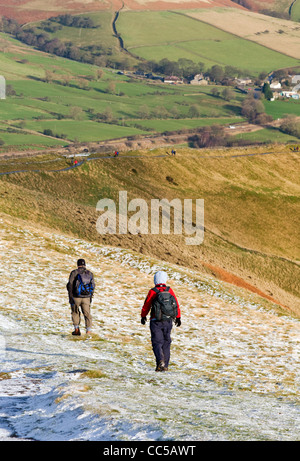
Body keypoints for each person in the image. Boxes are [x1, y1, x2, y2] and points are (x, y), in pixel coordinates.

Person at [141, 271, 181, 371]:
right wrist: (178, 317)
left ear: (155, 280)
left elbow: (147, 305)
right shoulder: (169, 290)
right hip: (168, 321)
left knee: (157, 342)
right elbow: (175, 304)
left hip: (156, 321)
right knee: (166, 343)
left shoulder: (153, 291)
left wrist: (143, 316)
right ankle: (165, 366)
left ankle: (160, 362)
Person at [67, 259, 95, 336]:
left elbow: (70, 284)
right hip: (86, 298)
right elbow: (93, 286)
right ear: (85, 265)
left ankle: (76, 329)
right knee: (87, 314)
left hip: (76, 297)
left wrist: (70, 296)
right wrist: (90, 297)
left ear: (77, 264)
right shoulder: (89, 273)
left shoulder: (74, 273)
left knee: (75, 312)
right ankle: (88, 331)